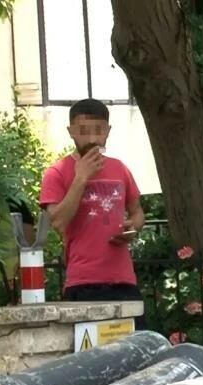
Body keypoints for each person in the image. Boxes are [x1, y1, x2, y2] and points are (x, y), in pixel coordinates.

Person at [40, 98, 147, 328]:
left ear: (108, 131)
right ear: (71, 132)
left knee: (134, 354)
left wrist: (132, 228)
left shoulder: (120, 168)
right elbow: (58, 222)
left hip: (123, 280)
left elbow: (138, 213)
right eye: (83, 131)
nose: (92, 139)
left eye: (99, 131)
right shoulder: (57, 172)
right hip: (83, 282)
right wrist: (81, 178)